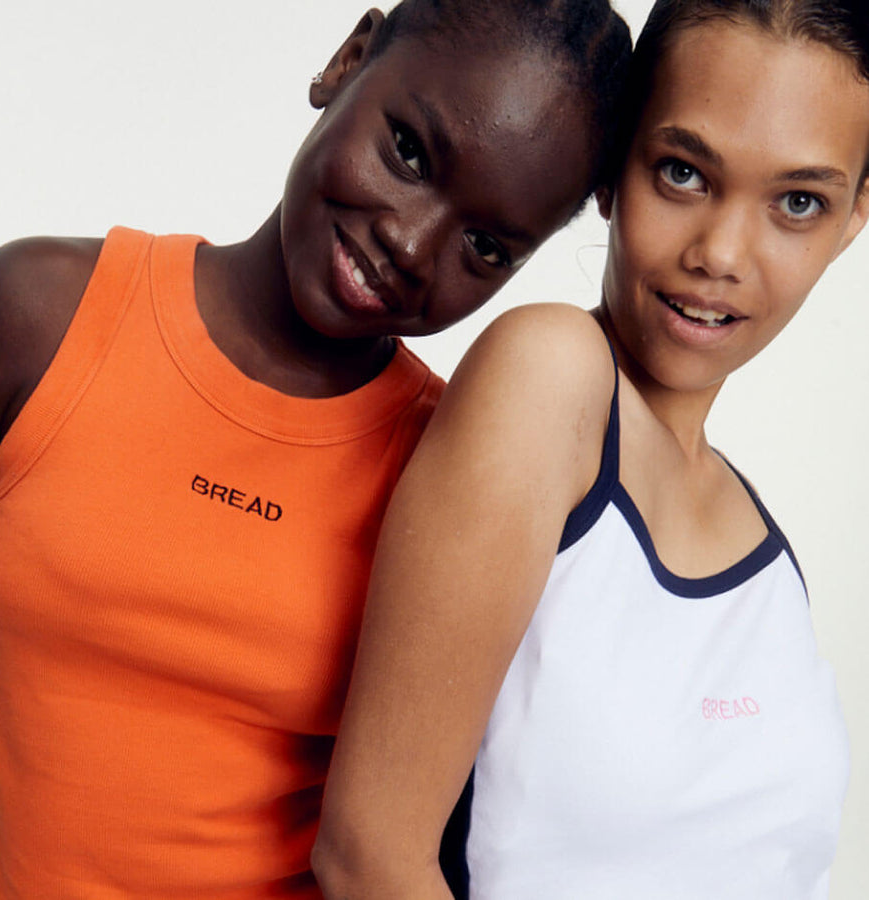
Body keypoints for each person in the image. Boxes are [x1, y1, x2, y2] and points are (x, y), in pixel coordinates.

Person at [0, 1, 632, 897]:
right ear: (347, 58)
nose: (410, 239)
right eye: (408, 152)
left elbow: (431, 831)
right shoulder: (38, 314)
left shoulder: (446, 473)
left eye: (484, 245)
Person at [312, 1, 869, 898]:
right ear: (611, 173)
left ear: (852, 221)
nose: (722, 254)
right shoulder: (551, 380)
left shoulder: (766, 552)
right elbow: (369, 859)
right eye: (684, 173)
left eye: (798, 202)